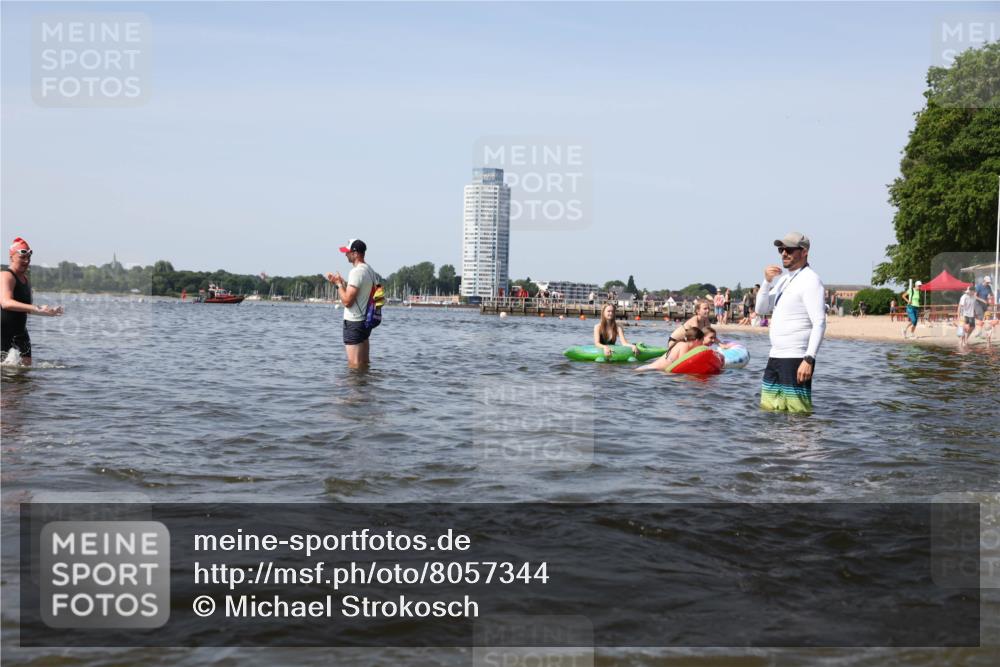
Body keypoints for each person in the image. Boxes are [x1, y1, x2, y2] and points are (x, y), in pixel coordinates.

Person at [755, 232, 826, 413]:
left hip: (796, 357)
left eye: (789, 249)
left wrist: (809, 359)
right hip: (776, 355)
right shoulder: (784, 280)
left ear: (804, 252)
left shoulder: (811, 280)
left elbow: (819, 323)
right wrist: (767, 281)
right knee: (769, 410)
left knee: (798, 413)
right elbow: (761, 309)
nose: (784, 253)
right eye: (781, 249)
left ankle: (803, 442)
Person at [1, 237, 64, 365]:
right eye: (22, 257)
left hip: (21, 333)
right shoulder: (6, 276)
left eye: (29, 258)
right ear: (11, 257)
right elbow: (5, 303)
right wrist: (35, 307)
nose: (26, 261)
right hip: (2, 332)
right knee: (5, 376)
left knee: (25, 373)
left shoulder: (26, 280)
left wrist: (46, 312)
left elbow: (27, 309)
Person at [326, 239, 378, 369]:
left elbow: (347, 301)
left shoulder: (356, 272)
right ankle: (365, 389)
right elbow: (358, 294)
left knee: (354, 366)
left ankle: (355, 389)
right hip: (365, 322)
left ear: (355, 253)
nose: (345, 255)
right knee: (364, 364)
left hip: (354, 322)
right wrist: (342, 282)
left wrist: (338, 285)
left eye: (348, 252)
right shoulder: (369, 270)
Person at [635, 326, 705, 372]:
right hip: (649, 370)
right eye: (702, 341)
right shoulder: (684, 346)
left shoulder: (682, 344)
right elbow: (683, 365)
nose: (702, 343)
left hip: (648, 369)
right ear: (696, 340)